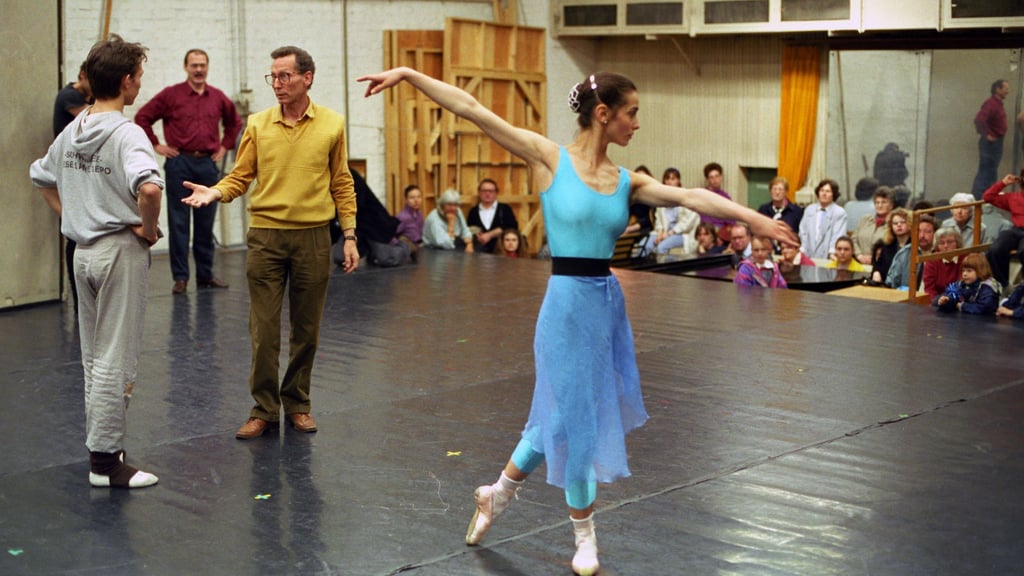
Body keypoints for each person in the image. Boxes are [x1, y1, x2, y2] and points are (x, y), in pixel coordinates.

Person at [357, 67, 797, 575]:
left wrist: (756, 219)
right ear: (604, 114)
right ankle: (585, 537)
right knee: (578, 417)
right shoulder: (549, 158)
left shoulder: (628, 181)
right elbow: (471, 110)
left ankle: (495, 495)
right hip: (564, 306)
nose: (637, 124)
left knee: (560, 417)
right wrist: (409, 74)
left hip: (605, 305)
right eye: (632, 113)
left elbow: (692, 198)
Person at [181, 46, 358, 440]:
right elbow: (240, 177)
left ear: (307, 78)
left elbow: (342, 182)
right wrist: (215, 192)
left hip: (313, 236)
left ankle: (298, 403)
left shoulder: (332, 124)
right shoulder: (258, 124)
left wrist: (349, 235)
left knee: (306, 330)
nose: (277, 84)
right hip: (265, 238)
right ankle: (264, 408)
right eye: (272, 77)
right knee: (263, 331)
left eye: (285, 76)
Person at [30, 34, 162, 488]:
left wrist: (75, 215)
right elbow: (149, 188)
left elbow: (39, 174)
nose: (140, 84)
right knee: (114, 359)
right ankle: (105, 463)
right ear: (126, 82)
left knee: (94, 358)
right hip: (116, 253)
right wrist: (147, 228)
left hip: (82, 253)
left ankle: (105, 447)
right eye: (139, 77)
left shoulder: (77, 126)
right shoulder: (128, 134)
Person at [136, 49, 242, 294]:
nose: (198, 69)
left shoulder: (218, 97)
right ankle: (181, 278)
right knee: (179, 222)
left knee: (206, 224)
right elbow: (143, 117)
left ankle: (205, 275)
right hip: (180, 163)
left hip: (206, 164)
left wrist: (224, 147)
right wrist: (157, 146)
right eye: (194, 65)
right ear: (186, 67)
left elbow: (234, 123)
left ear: (208, 67)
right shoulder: (171, 95)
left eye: (202, 65)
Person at [52, 60, 94, 311]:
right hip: (70, 170)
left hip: (81, 170)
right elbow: (90, 120)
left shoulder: (85, 96)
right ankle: (79, 297)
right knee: (74, 232)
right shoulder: (69, 95)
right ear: (82, 76)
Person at [983, 173, 1024, 287]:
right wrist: (1003, 183)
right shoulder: (1013, 197)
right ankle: (1002, 285)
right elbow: (988, 197)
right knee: (995, 249)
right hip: (1016, 229)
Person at [972, 79, 1009, 199]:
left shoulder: (997, 104)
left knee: (991, 172)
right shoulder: (991, 104)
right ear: (997, 89)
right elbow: (979, 119)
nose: (1007, 91)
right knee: (986, 172)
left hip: (996, 143)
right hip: (990, 145)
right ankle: (978, 199)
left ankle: (988, 197)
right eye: (1005, 89)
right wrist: (986, 134)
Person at [649, 167, 699, 255]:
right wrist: (660, 232)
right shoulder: (661, 198)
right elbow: (659, 220)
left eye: (673, 179)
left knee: (661, 247)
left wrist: (671, 232)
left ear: (678, 181)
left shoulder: (686, 196)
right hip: (664, 231)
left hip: (681, 233)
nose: (669, 182)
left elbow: (688, 222)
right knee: (646, 246)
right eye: (667, 179)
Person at [934, 253, 999, 314]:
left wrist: (963, 306)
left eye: (969, 271)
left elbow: (985, 307)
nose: (964, 274)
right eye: (963, 271)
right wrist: (946, 300)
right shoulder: (961, 284)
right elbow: (952, 294)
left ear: (981, 270)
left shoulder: (987, 287)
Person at [799, 179, 848, 260]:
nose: (824, 194)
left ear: (833, 194)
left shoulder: (839, 212)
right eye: (822, 190)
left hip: (829, 256)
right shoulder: (809, 209)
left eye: (828, 191)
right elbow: (803, 231)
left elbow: (838, 235)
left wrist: (831, 252)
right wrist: (804, 248)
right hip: (808, 255)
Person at [467, 179, 519, 253]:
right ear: (479, 192)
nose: (487, 194)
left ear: (496, 193)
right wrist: (477, 235)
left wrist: (490, 235)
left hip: (502, 253)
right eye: (484, 191)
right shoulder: (473, 211)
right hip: (479, 253)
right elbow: (469, 228)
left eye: (491, 191)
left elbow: (512, 227)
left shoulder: (504, 209)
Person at [886, 213, 936, 289]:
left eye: (927, 231)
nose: (922, 235)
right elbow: (891, 283)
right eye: (919, 231)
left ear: (935, 233)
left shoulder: (940, 254)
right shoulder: (903, 254)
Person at [852, 186, 893, 264]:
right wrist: (859, 255)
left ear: (891, 205)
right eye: (877, 202)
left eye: (884, 202)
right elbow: (853, 239)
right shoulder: (865, 219)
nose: (880, 205)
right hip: (859, 265)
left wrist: (875, 257)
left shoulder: (893, 225)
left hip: (881, 267)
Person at [870, 208, 912, 284]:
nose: (899, 225)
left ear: (910, 223)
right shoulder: (885, 245)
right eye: (895, 223)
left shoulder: (915, 246)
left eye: (902, 222)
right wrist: (876, 272)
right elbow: (878, 265)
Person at [923, 227, 965, 299]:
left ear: (957, 243)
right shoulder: (932, 260)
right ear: (937, 246)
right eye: (941, 243)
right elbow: (929, 289)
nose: (946, 246)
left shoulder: (965, 258)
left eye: (950, 242)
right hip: (938, 302)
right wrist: (938, 301)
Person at [700, 162, 735, 229]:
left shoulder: (726, 197)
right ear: (707, 179)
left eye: (717, 176)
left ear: (721, 177)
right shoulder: (702, 195)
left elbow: (731, 221)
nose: (715, 180)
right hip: (705, 229)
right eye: (711, 177)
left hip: (721, 230)